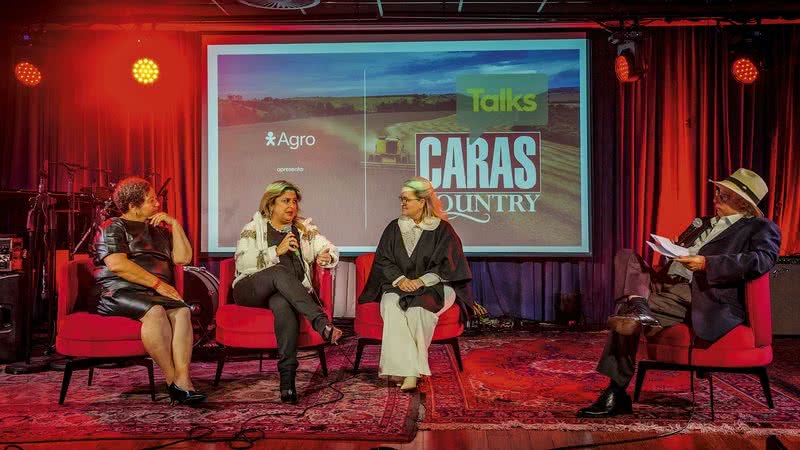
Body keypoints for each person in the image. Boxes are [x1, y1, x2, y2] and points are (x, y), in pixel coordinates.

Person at [578, 168, 781, 418]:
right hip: (666, 284)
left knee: (626, 314)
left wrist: (706, 264)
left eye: (723, 193)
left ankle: (616, 390)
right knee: (626, 255)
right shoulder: (703, 222)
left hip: (699, 293)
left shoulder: (759, 228)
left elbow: (762, 259)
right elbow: (680, 255)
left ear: (742, 201)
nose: (715, 196)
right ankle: (640, 306)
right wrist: (672, 249)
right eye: (717, 191)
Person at [358, 177, 487, 392]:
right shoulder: (393, 228)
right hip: (398, 285)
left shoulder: (442, 230)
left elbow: (448, 266)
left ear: (422, 201)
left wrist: (420, 281)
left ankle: (408, 372)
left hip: (436, 287)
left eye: (407, 200)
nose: (402, 203)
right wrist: (402, 280)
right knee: (391, 306)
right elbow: (383, 260)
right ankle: (410, 370)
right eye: (401, 199)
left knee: (418, 311)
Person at [94, 177, 205, 406]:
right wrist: (159, 285)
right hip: (121, 290)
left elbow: (183, 258)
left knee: (182, 312)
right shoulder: (113, 226)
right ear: (133, 206)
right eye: (151, 200)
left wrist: (175, 225)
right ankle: (171, 379)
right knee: (155, 312)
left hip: (156, 292)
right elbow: (117, 265)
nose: (157, 204)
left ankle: (184, 380)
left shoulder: (159, 229)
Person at [233, 180, 343, 404]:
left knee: (283, 303)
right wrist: (277, 250)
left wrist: (326, 255)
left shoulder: (303, 229)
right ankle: (321, 323)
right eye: (285, 201)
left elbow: (328, 247)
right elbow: (243, 262)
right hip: (250, 289)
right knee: (280, 272)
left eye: (294, 201)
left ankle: (287, 383)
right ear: (271, 204)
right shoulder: (254, 228)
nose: (291, 206)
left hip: (280, 294)